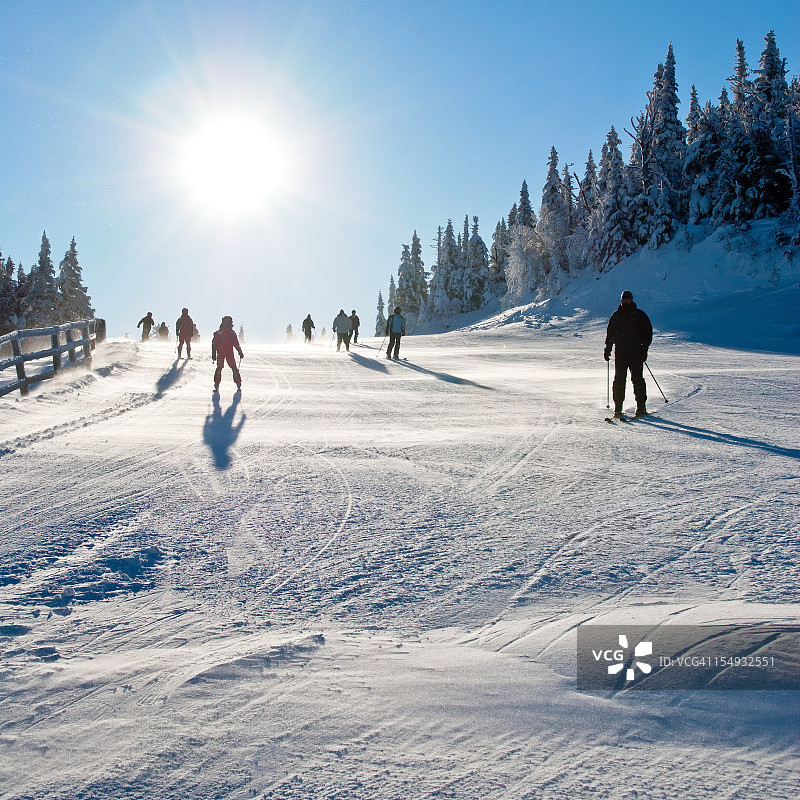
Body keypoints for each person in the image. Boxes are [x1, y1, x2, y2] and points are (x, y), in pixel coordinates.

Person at [604, 290, 653, 418]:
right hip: (620, 353)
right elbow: (610, 334)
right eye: (623, 300)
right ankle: (618, 407)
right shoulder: (616, 316)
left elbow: (648, 333)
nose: (625, 302)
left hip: (636, 353)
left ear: (631, 300)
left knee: (637, 380)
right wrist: (607, 348)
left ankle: (641, 407)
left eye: (627, 300)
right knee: (619, 380)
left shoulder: (640, 315)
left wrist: (644, 349)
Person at [212, 315, 244, 393]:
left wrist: (214, 353)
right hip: (229, 353)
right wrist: (240, 352)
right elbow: (236, 344)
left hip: (221, 353)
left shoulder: (219, 333)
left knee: (219, 368)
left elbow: (214, 344)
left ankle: (216, 385)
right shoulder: (232, 333)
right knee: (233, 368)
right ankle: (238, 384)